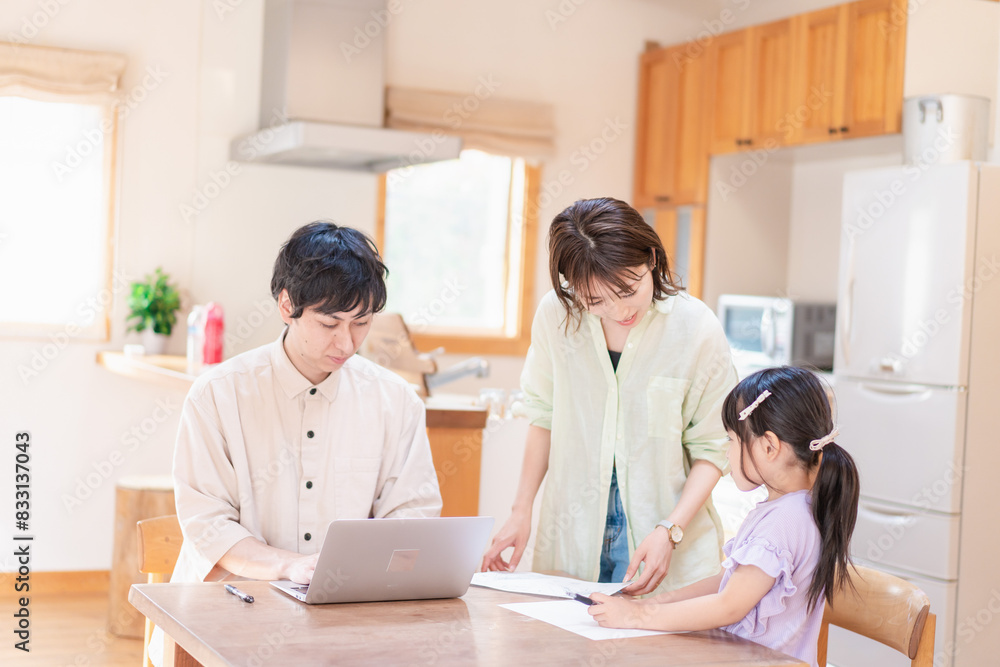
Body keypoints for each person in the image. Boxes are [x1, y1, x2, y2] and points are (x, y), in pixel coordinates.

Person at [481, 197, 738, 596]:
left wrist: (670, 530)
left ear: (651, 258)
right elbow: (543, 416)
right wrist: (520, 511)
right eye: (595, 301)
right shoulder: (556, 317)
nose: (619, 311)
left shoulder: (696, 329)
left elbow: (713, 448)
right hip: (573, 538)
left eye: (628, 289)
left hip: (669, 546)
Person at [170, 221, 442, 586]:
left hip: (343, 601)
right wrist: (287, 566)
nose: (346, 343)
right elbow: (207, 523)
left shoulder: (395, 401)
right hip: (233, 598)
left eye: (361, 323)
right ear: (287, 306)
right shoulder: (217, 395)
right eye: (329, 324)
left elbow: (413, 515)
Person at [588, 366, 860, 667]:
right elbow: (727, 583)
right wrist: (652, 605)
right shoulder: (793, 509)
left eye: (731, 439)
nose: (727, 453)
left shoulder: (784, 521)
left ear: (769, 446)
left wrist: (637, 616)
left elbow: (728, 606)